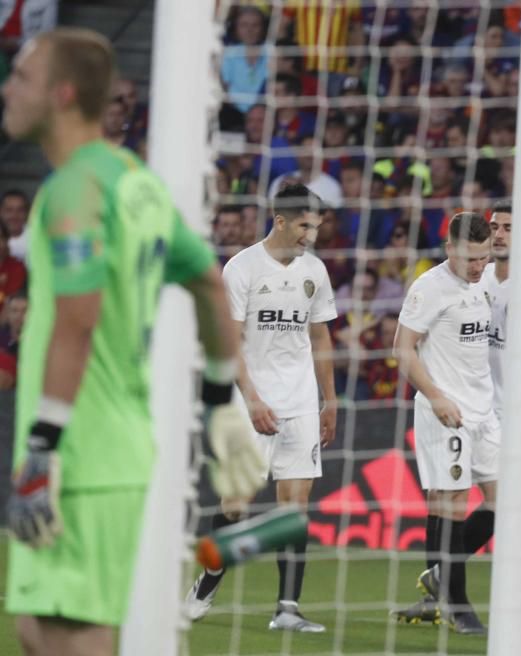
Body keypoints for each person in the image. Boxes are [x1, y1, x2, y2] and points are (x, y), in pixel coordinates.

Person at [1, 27, 264, 656]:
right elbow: (204, 280)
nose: (9, 88)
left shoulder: (73, 190)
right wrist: (220, 400)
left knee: (74, 637)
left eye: (23, 77)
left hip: (80, 455)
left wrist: (43, 449)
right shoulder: (133, 180)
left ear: (62, 94)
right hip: (106, 447)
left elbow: (78, 319)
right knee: (39, 629)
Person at [184, 184, 339, 632]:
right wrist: (251, 399)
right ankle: (209, 580)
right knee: (235, 505)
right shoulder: (242, 269)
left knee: (296, 506)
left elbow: (321, 337)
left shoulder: (315, 270)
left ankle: (287, 609)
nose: (311, 235)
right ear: (281, 220)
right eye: (305, 225)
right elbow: (228, 342)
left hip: (301, 401)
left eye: (317, 226)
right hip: (250, 399)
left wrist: (329, 400)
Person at [392, 212, 496, 635]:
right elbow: (403, 349)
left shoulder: (484, 283)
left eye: (484, 258)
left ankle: (438, 576)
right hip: (445, 411)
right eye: (471, 258)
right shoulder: (429, 288)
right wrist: (436, 397)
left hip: (484, 411)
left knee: (507, 503)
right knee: (450, 501)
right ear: (449, 248)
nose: (478, 267)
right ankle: (457, 604)